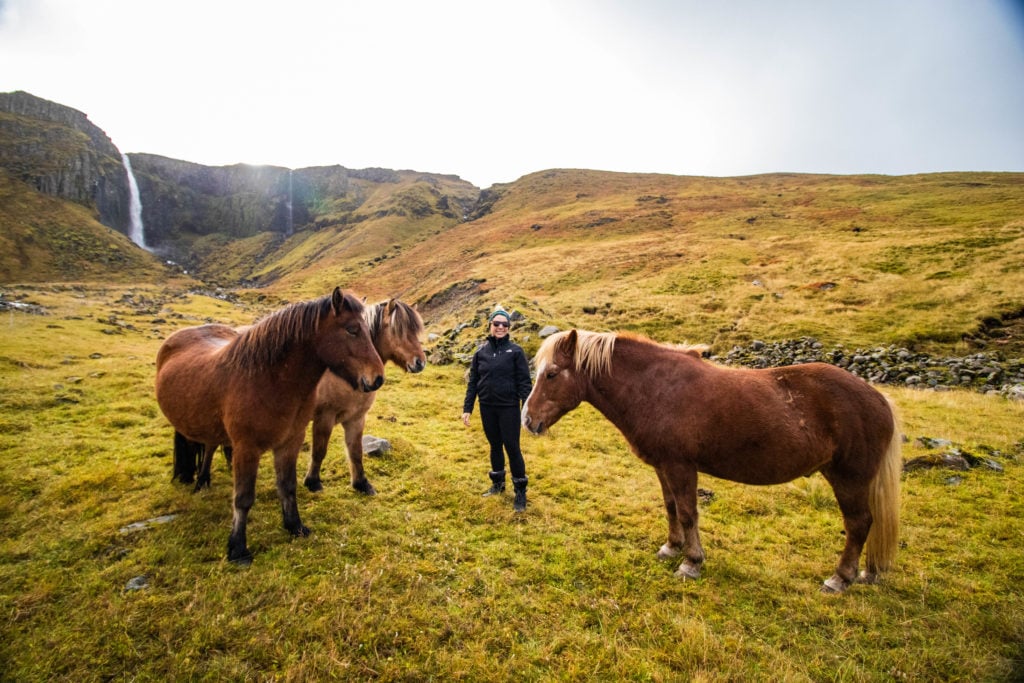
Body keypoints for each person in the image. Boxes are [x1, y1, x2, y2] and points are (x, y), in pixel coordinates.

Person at [462, 307, 533, 512]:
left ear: (509, 328)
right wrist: (468, 408)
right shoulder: (480, 352)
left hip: (509, 408)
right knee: (494, 445)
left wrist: (526, 410)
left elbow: (524, 383)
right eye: (497, 324)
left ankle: (520, 492)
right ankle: (498, 485)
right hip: (487, 407)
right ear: (490, 326)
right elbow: (473, 382)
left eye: (505, 324)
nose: (500, 327)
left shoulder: (516, 352)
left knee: (512, 447)